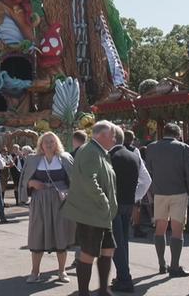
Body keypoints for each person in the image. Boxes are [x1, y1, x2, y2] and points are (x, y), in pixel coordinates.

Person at [62, 121, 118, 296]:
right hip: (92, 212)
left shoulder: (99, 151)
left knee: (107, 249)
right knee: (88, 253)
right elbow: (88, 179)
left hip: (101, 214)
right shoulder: (91, 151)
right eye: (112, 135)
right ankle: (84, 293)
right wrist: (103, 200)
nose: (115, 139)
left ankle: (103, 290)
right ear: (101, 135)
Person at [18, 132, 75, 284]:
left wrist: (70, 194)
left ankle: (62, 271)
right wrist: (32, 184)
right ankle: (35, 272)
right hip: (40, 201)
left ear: (57, 143)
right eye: (46, 142)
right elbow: (24, 181)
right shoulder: (33, 160)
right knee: (38, 233)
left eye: (52, 141)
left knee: (61, 233)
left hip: (60, 201)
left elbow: (75, 181)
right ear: (41, 145)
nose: (49, 144)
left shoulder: (65, 158)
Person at [144, 123, 189, 278]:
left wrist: (152, 191)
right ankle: (174, 266)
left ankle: (161, 263)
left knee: (160, 227)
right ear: (178, 134)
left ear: (163, 132)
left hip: (159, 192)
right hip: (179, 191)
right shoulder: (184, 148)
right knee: (177, 230)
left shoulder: (152, 148)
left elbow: (148, 171)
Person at [109, 126, 151, 293]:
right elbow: (146, 180)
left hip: (114, 204)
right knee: (123, 241)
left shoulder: (108, 156)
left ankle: (124, 278)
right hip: (128, 202)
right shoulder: (134, 155)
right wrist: (135, 197)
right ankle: (122, 276)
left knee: (116, 243)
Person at [123, 130, 151, 238]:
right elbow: (143, 172)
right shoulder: (134, 151)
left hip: (120, 184)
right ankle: (136, 227)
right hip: (133, 182)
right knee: (136, 206)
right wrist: (139, 193)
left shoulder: (114, 151)